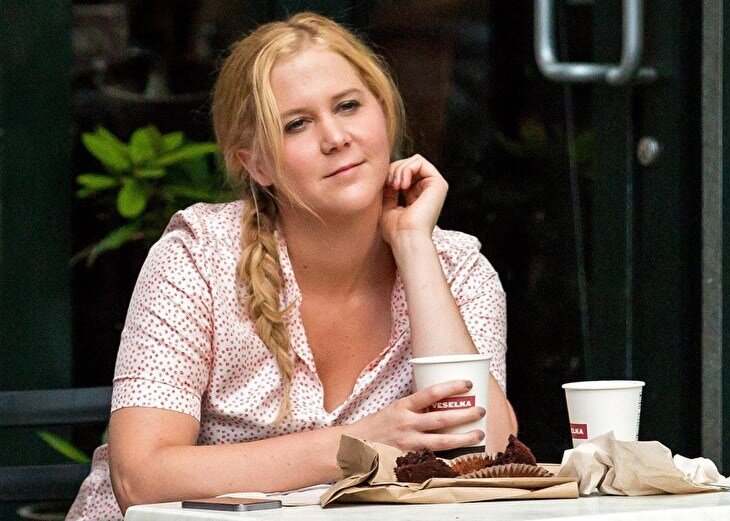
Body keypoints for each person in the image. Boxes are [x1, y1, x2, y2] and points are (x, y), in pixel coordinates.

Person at [66, 12, 517, 520]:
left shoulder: (456, 268)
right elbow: (140, 478)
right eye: (296, 124)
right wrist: (356, 444)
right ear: (255, 164)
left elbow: (483, 454)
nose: (335, 137)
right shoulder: (199, 257)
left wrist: (413, 244)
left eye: (348, 106)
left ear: (385, 114)